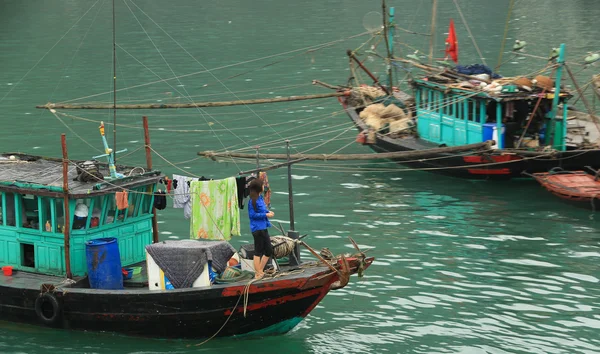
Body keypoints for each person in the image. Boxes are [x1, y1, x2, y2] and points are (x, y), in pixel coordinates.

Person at [247, 178, 274, 279]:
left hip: (264, 227)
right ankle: (257, 273)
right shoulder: (252, 201)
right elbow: (252, 215)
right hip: (257, 228)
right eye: (262, 185)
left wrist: (268, 212)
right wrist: (266, 215)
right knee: (258, 251)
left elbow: (263, 210)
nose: (264, 186)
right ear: (259, 188)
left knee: (268, 250)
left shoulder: (260, 198)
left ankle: (260, 270)